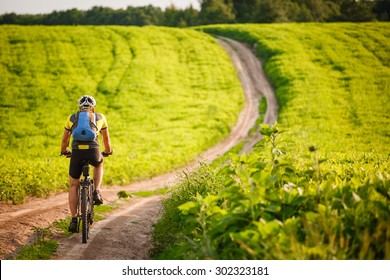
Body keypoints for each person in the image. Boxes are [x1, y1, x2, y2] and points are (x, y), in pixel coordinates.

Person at [60, 95, 113, 233]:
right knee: (99, 164)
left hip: (77, 152)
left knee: (73, 185)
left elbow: (64, 140)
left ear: (79, 108)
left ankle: (73, 220)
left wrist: (65, 151)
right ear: (93, 108)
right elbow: (105, 138)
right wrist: (107, 151)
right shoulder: (100, 117)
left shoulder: (71, 118)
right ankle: (96, 191)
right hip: (93, 150)